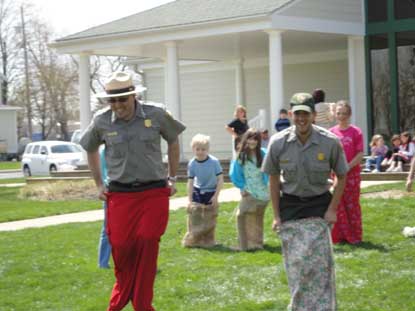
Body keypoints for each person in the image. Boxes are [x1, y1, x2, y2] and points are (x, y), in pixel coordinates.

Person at [79, 71, 186, 311]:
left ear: (133, 97)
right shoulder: (101, 121)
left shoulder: (156, 113)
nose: (117, 106)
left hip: (153, 191)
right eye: (112, 100)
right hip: (120, 194)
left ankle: (141, 303)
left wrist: (171, 176)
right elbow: (90, 148)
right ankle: (122, 294)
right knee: (121, 245)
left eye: (122, 100)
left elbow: (173, 140)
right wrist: (98, 184)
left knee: (148, 240)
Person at [263, 93, 347, 311]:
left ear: (314, 116)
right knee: (297, 266)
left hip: (319, 206)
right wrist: (276, 215)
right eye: (297, 113)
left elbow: (342, 175)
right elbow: (273, 179)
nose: (301, 118)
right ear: (291, 114)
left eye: (306, 114)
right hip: (290, 206)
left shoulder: (330, 142)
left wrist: (332, 209)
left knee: (320, 267)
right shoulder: (278, 142)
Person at [330, 100, 364, 244]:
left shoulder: (356, 131)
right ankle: (338, 237)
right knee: (337, 204)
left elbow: (360, 154)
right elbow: (328, 154)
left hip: (352, 174)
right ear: (335, 114)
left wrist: (347, 167)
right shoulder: (331, 133)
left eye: (344, 113)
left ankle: (354, 236)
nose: (341, 116)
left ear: (349, 114)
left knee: (352, 205)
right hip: (336, 174)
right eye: (339, 113)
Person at [230, 128, 269, 251]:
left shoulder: (263, 154)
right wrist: (242, 187)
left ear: (258, 141)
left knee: (245, 215)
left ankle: (249, 245)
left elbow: (270, 171)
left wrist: (270, 187)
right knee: (244, 215)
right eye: (250, 139)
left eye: (255, 139)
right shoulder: (242, 156)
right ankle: (251, 244)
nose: (252, 142)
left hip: (263, 191)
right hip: (249, 191)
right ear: (245, 140)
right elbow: (235, 173)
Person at [182, 134, 224, 248]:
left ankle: (208, 240)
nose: (200, 152)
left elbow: (220, 179)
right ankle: (193, 239)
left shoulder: (214, 162)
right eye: (197, 149)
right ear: (193, 149)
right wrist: (189, 200)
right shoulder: (192, 163)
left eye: (203, 149)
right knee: (195, 216)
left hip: (211, 191)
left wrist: (216, 196)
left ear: (208, 149)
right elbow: (190, 182)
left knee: (209, 216)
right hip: (198, 190)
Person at [98, 145, 111, 269]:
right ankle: (103, 262)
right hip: (111, 190)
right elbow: (104, 171)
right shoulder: (104, 150)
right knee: (108, 228)